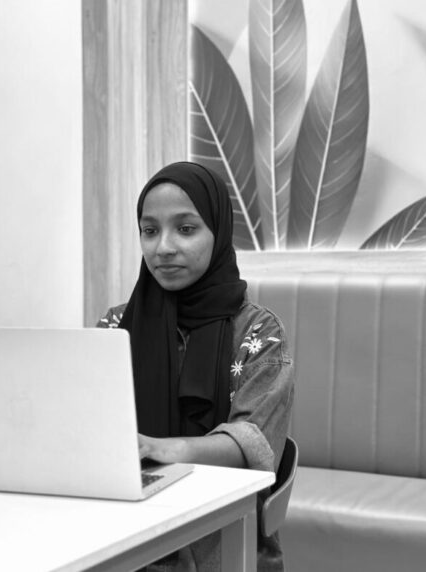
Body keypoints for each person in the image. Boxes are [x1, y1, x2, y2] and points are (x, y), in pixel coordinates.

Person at [97, 161, 294, 571]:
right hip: (120, 529)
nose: (163, 247)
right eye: (149, 230)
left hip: (218, 540)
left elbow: (253, 444)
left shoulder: (257, 331)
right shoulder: (116, 326)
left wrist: (161, 449)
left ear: (218, 232)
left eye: (185, 229)